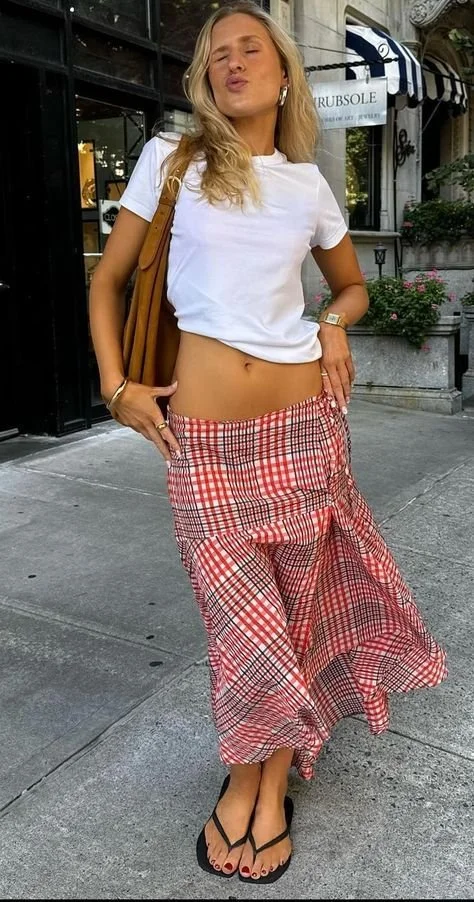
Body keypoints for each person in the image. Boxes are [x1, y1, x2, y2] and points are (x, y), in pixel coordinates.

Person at [89, 0, 447, 885]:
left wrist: (332, 324)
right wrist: (116, 386)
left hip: (303, 434)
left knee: (297, 613)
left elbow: (351, 288)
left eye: (251, 49)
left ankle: (266, 780)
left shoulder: (306, 186)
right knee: (240, 624)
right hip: (204, 442)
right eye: (218, 54)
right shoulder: (170, 162)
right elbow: (107, 281)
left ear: (284, 74)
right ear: (204, 78)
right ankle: (250, 770)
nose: (233, 63)